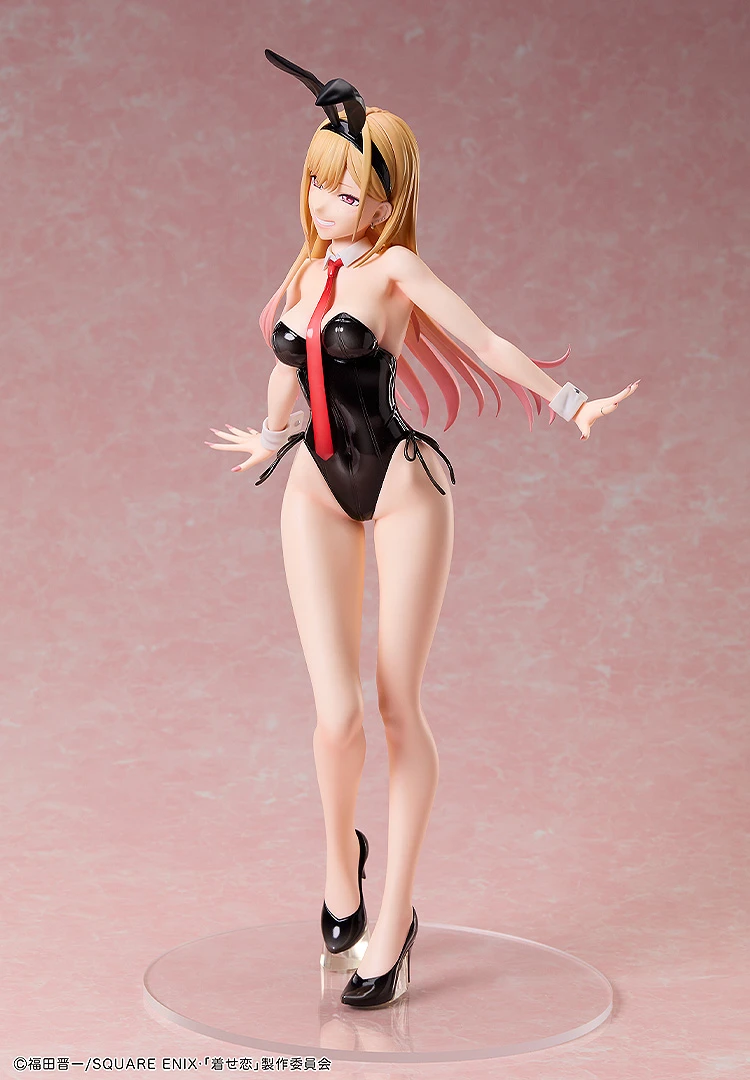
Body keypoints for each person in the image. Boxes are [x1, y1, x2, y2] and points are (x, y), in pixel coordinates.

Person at [206, 49, 640, 1009]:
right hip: (313, 488)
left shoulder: (394, 268)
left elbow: (481, 339)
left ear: (385, 198)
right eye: (319, 185)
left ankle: (394, 917)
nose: (329, 205)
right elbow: (287, 369)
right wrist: (268, 436)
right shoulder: (307, 270)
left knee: (398, 705)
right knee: (335, 715)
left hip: (401, 483)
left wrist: (569, 402)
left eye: (349, 191)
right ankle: (340, 872)